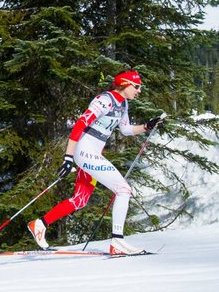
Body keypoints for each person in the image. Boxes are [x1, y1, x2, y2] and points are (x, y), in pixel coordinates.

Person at [27, 70, 165, 255]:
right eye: (137, 86)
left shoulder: (123, 104)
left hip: (92, 153)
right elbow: (80, 125)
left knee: (80, 199)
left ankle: (40, 224)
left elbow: (125, 130)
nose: (139, 91)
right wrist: (68, 157)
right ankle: (117, 241)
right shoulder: (105, 100)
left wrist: (147, 126)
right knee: (124, 190)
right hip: (85, 152)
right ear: (125, 84)